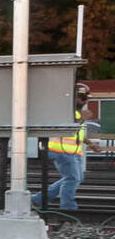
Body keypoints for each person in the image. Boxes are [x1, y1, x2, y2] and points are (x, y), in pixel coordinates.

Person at [35, 84, 95, 214]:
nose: (85, 101)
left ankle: (38, 199)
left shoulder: (77, 113)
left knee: (75, 178)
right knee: (72, 178)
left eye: (86, 98)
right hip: (61, 150)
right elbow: (68, 128)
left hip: (73, 152)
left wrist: (89, 143)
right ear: (73, 97)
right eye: (82, 97)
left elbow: (77, 133)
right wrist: (82, 119)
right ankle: (68, 208)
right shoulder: (64, 111)